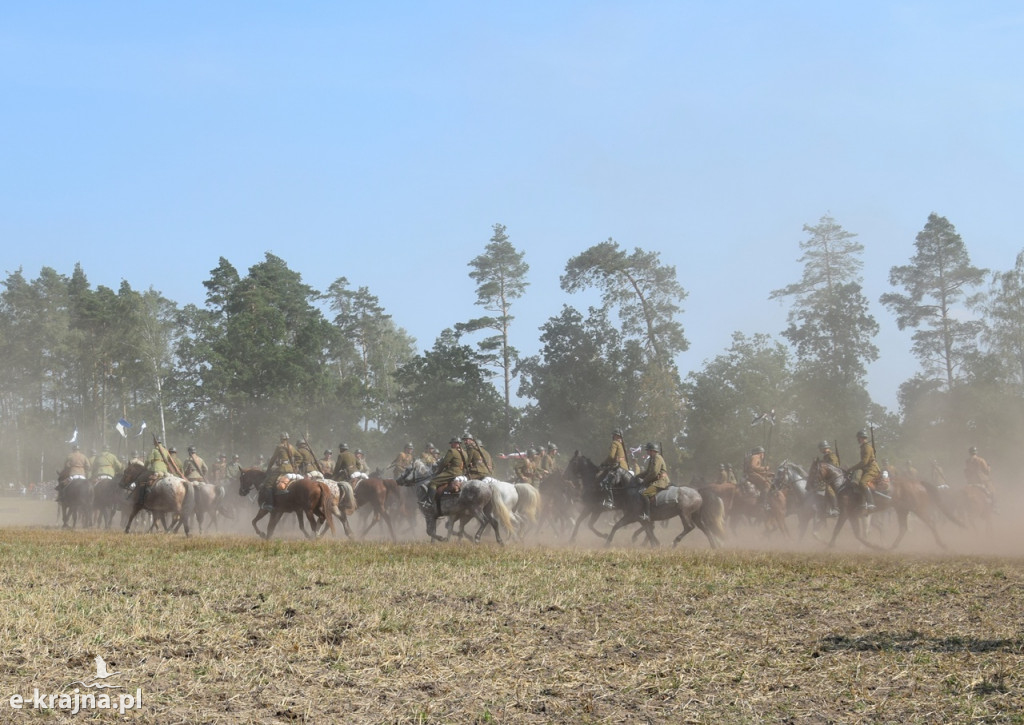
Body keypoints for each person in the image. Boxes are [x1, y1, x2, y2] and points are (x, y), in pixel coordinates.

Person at [260, 433, 300, 512]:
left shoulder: (279, 447)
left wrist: (268, 468)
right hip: (291, 469)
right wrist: (295, 465)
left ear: (281, 439)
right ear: (288, 439)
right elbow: (299, 457)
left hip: (282, 469)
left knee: (268, 484)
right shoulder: (292, 447)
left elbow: (273, 459)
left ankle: (270, 504)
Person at [429, 437, 467, 513]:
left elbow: (444, 463)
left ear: (455, 443)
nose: (451, 445)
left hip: (452, 472)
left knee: (433, 482)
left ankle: (430, 503)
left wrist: (438, 472)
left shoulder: (452, 451)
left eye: (451, 443)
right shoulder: (465, 453)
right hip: (461, 473)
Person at [846, 430, 878, 511]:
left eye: (858, 438)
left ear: (861, 438)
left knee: (863, 482)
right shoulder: (863, 447)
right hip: (866, 468)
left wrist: (852, 468)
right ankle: (862, 503)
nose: (858, 439)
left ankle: (871, 503)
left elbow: (864, 462)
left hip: (872, 468)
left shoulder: (867, 447)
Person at [637, 442, 670, 521]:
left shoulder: (657, 458)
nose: (647, 452)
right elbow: (648, 471)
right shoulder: (652, 458)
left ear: (652, 451)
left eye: (648, 450)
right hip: (655, 480)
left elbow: (654, 472)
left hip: (661, 481)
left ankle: (647, 515)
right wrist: (637, 476)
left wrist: (644, 480)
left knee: (645, 493)